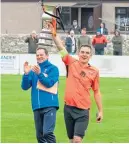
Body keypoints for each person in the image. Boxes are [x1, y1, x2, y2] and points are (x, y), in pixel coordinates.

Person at [48, 22, 103, 143]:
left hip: (83, 111)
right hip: (68, 108)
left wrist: (100, 111)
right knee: (71, 140)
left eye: (87, 53)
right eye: (82, 52)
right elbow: (60, 47)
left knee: (77, 140)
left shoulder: (94, 71)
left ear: (91, 56)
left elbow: (97, 92)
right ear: (79, 53)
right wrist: (53, 33)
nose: (84, 54)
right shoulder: (70, 62)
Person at [21, 47, 59, 143]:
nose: (39, 57)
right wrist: (26, 74)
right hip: (36, 107)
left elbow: (49, 83)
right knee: (40, 136)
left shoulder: (53, 69)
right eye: (37, 55)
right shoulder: (33, 70)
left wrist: (40, 74)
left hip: (49, 105)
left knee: (47, 133)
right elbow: (24, 87)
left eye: (41, 55)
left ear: (47, 56)